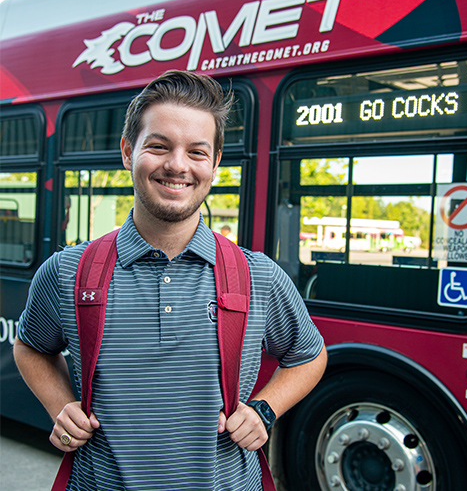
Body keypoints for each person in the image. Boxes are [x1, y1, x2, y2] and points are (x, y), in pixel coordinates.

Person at [14, 70, 327, 491]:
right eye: (159, 146)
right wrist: (60, 406)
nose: (177, 165)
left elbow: (309, 355)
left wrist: (265, 410)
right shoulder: (65, 272)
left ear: (215, 163)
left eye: (197, 152)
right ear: (128, 152)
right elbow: (31, 347)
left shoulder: (259, 276)